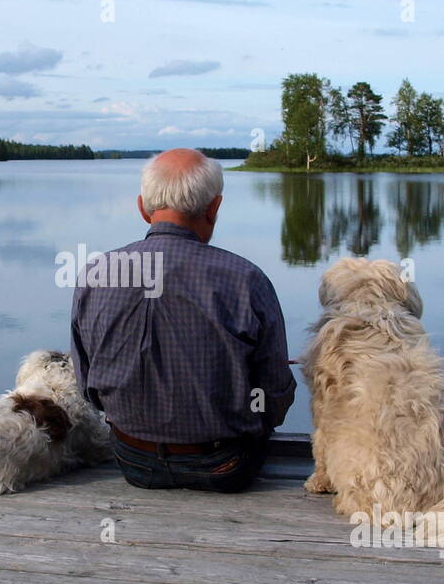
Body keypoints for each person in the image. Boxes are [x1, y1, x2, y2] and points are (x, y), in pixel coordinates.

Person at [70, 148, 296, 492]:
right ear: (214, 207)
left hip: (132, 461)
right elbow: (276, 391)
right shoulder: (246, 279)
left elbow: (87, 383)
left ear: (143, 208)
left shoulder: (95, 273)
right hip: (226, 466)